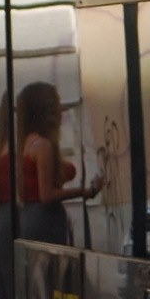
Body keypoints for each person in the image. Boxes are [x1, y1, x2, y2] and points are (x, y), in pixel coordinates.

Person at [11, 81, 97, 244]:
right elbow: (47, 195)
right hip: (45, 219)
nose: (61, 109)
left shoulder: (27, 142)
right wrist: (86, 191)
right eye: (57, 103)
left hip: (31, 216)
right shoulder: (43, 145)